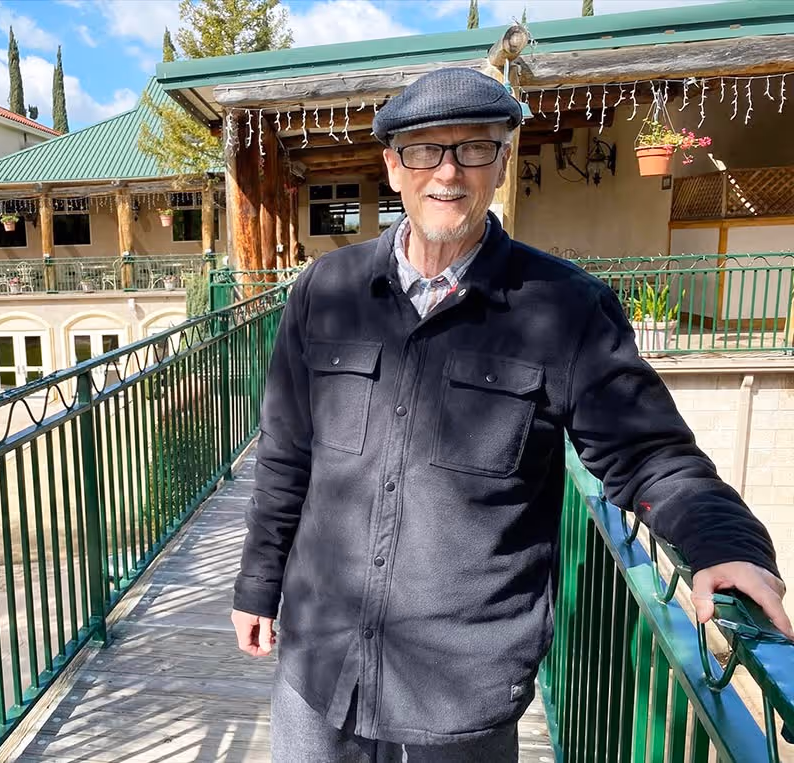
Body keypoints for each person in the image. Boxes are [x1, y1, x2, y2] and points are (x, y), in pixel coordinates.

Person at [229, 67, 790, 762]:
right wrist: (258, 582)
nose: (448, 172)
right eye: (424, 150)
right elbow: (286, 450)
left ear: (502, 162)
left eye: (473, 148)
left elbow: (650, 454)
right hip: (319, 661)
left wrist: (722, 542)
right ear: (392, 166)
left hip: (462, 685)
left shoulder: (567, 308)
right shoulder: (325, 290)